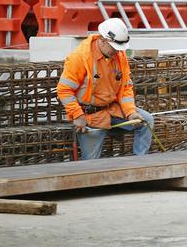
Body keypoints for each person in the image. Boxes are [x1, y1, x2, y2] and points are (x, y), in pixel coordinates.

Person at [56, 17, 154, 160]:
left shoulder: (119, 56)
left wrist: (130, 112)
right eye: (114, 48)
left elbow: (125, 88)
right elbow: (64, 90)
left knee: (146, 121)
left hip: (112, 110)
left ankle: (139, 163)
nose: (117, 51)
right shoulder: (80, 58)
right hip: (91, 117)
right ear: (102, 40)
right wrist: (77, 115)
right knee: (91, 163)